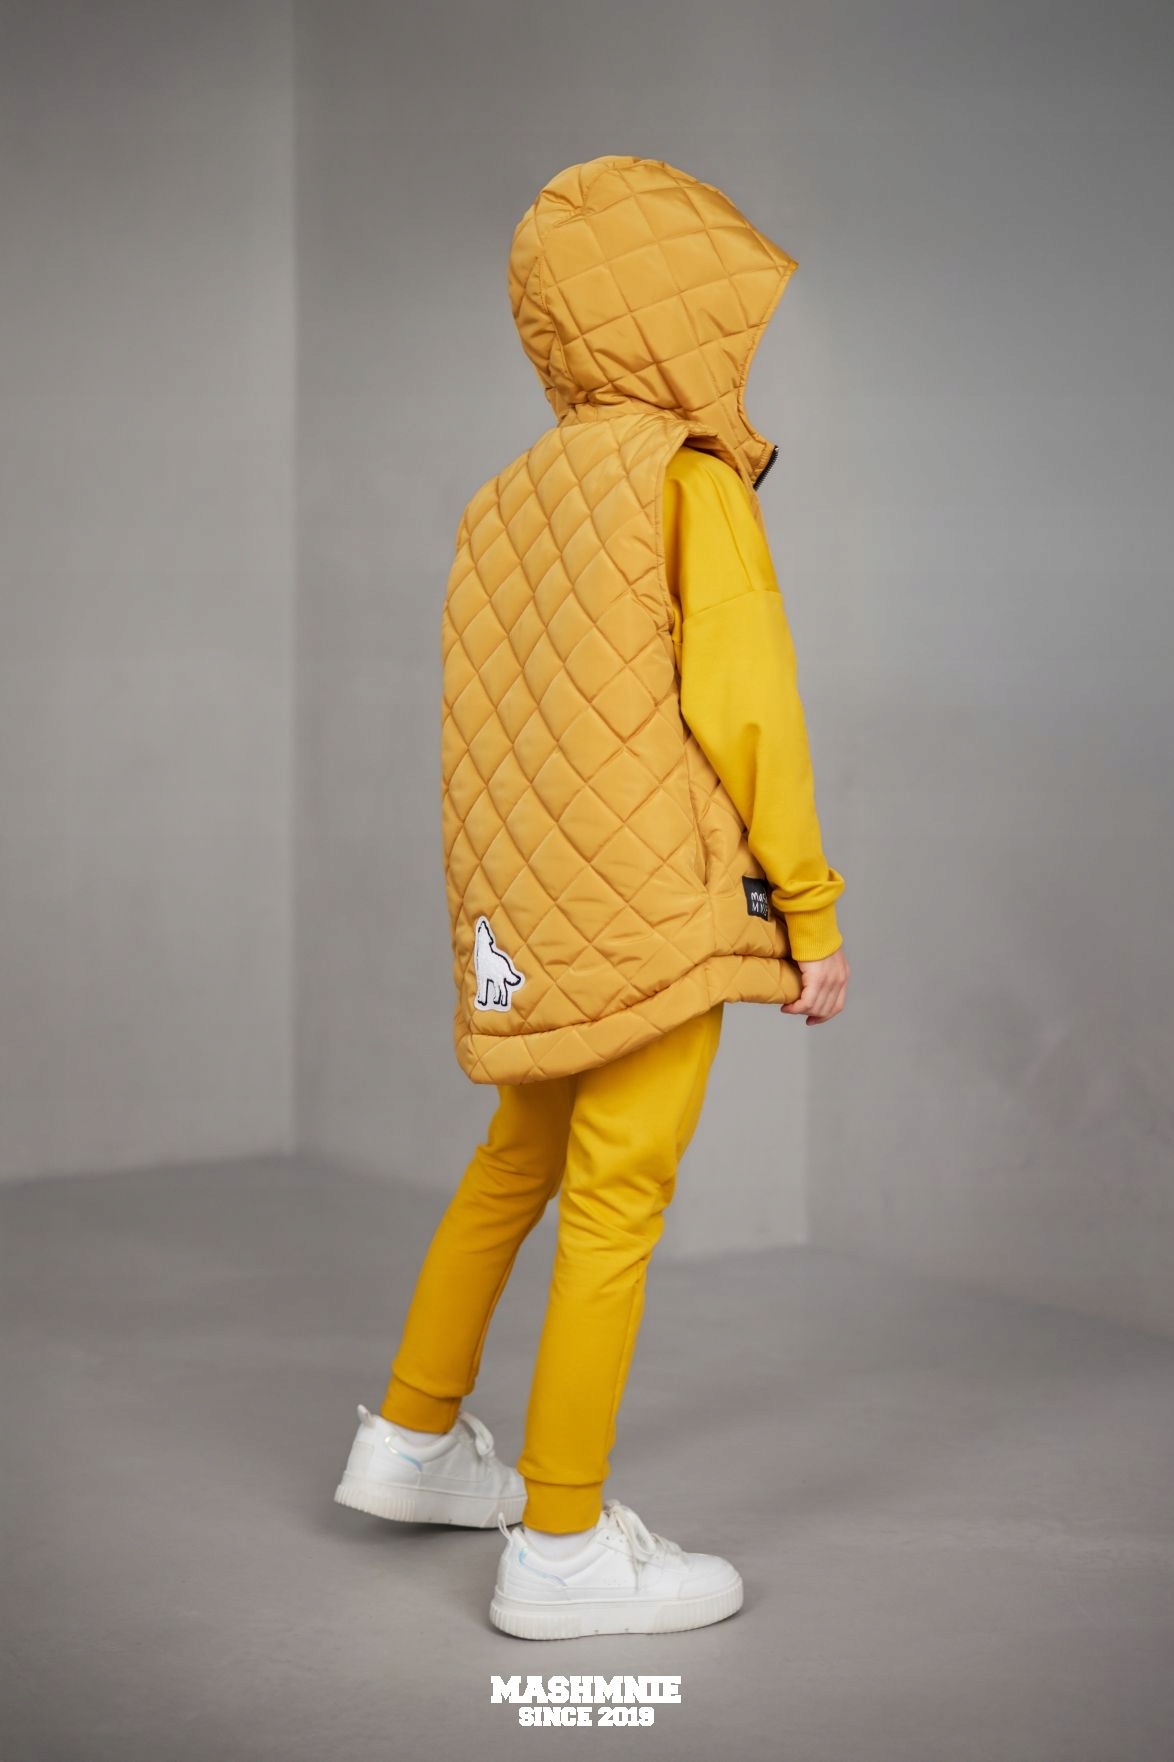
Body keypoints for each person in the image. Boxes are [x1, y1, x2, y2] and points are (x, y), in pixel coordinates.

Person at [334, 155, 850, 1639]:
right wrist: (808, 916)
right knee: (616, 1202)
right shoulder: (687, 480)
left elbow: (488, 730)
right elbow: (751, 709)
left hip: (527, 907)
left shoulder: (502, 501)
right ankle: (559, 1545)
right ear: (675, 318)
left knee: (517, 1159)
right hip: (650, 912)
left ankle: (411, 1439)